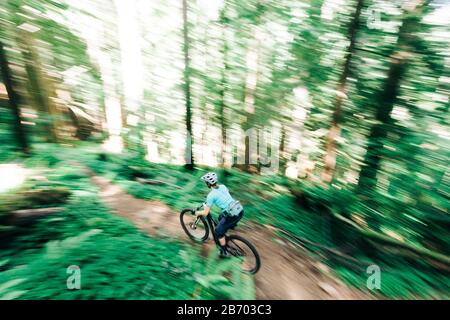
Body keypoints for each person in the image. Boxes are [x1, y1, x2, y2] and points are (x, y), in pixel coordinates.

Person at [196, 172, 244, 257]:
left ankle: (224, 251)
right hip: (239, 210)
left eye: (206, 182)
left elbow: (205, 213)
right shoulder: (223, 186)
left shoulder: (211, 196)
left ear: (208, 183)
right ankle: (228, 227)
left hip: (232, 216)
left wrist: (197, 212)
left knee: (218, 231)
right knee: (220, 217)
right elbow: (223, 197)